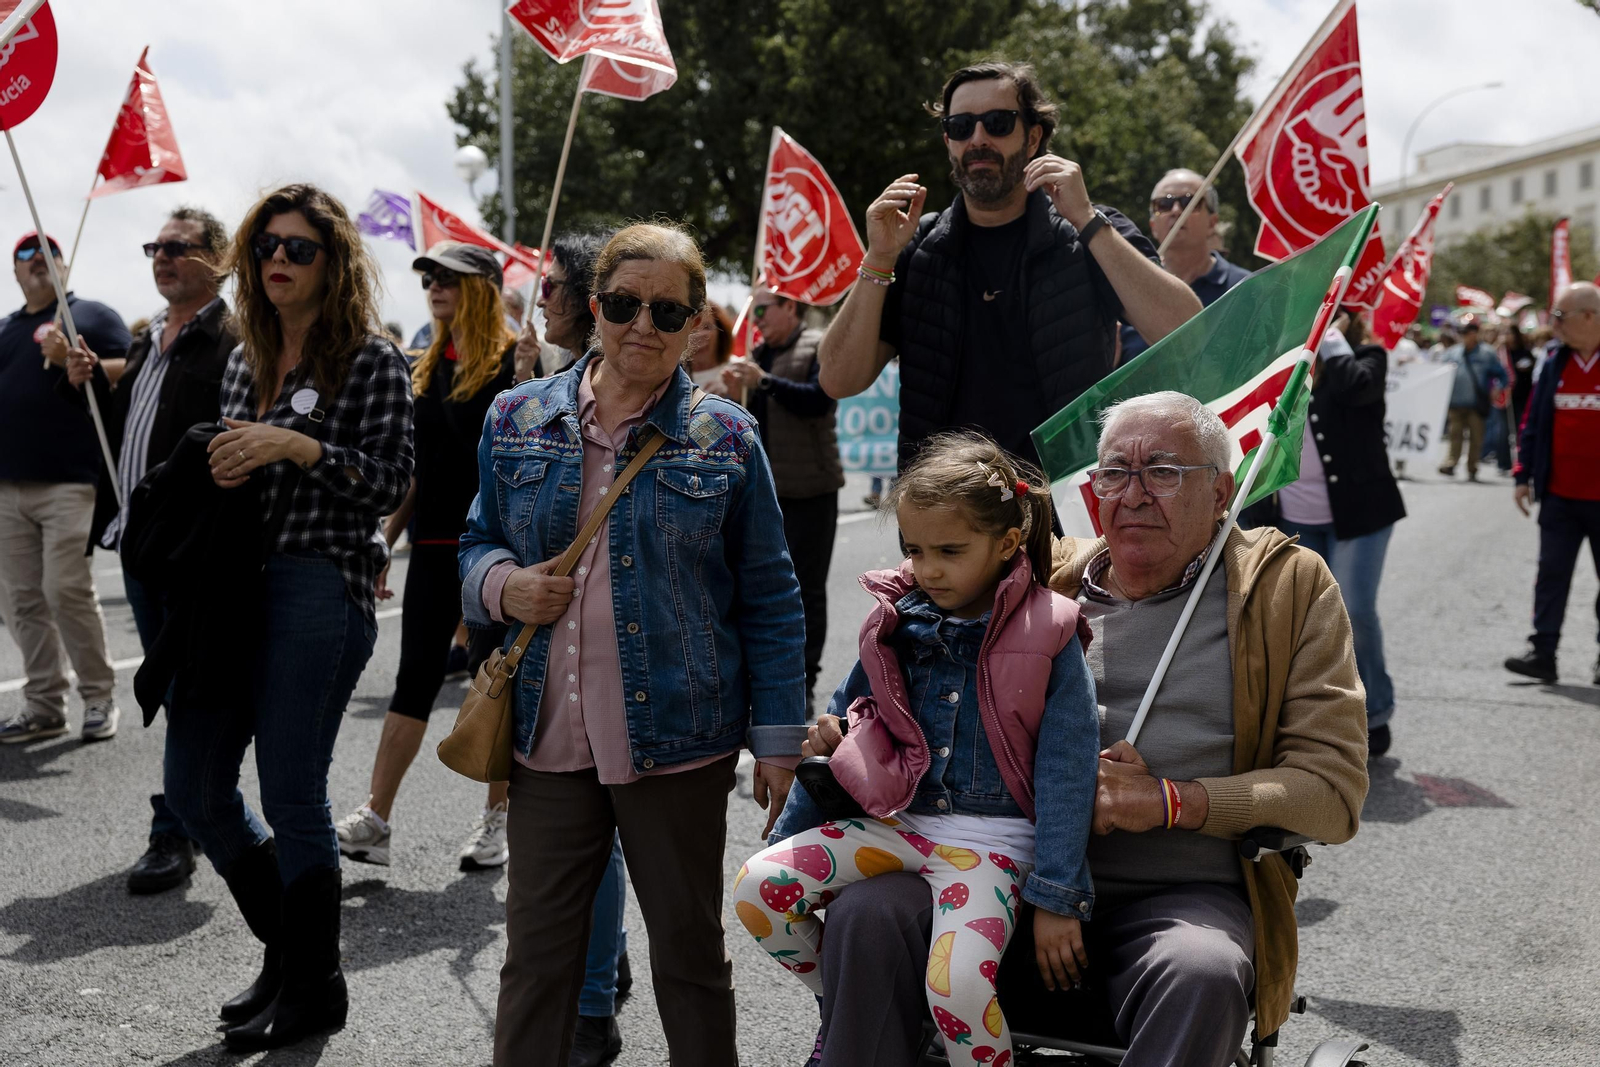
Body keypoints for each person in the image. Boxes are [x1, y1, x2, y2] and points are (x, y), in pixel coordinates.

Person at [785, 392, 1370, 1067]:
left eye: (1165, 472)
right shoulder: (1030, 578)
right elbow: (909, 678)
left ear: (1222, 492)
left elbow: (1331, 791)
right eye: (1115, 472)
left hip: (1175, 896)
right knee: (867, 913)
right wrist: (853, 735)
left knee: (1201, 969)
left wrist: (1170, 800)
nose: (1135, 494)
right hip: (996, 867)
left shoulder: (1285, 589)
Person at [459, 222, 806, 1067]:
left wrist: (780, 739)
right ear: (594, 308)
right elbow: (475, 543)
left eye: (666, 309)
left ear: (695, 325)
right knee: (536, 963)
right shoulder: (515, 417)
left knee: (689, 958)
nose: (642, 325)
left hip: (681, 740)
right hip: (546, 736)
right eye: (622, 303)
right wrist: (505, 583)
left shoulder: (726, 438)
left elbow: (770, 593)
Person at [735, 433, 1100, 1067]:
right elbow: (844, 721)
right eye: (914, 550)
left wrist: (1055, 896)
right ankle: (845, 1006)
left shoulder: (1053, 629)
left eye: (950, 551)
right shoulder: (894, 620)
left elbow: (1068, 772)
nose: (928, 569)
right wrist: (794, 824)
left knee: (958, 990)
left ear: (1008, 542)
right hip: (896, 827)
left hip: (994, 849)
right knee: (758, 887)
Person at [160, 184, 414, 1052]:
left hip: (319, 584)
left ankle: (313, 984)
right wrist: (223, 464)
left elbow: (387, 481)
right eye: (267, 243)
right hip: (233, 588)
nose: (277, 258)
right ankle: (293, 956)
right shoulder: (243, 357)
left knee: (293, 793)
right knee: (195, 786)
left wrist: (297, 445)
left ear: (332, 260)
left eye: (299, 247)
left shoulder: (372, 359)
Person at [818, 60, 1201, 469]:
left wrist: (1087, 220)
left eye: (998, 123)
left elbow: (1191, 334)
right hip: (943, 515)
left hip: (1068, 513)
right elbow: (837, 379)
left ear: (1033, 137)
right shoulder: (914, 249)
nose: (978, 139)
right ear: (949, 140)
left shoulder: (1088, 230)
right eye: (962, 127)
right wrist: (878, 258)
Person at [60, 207, 238, 893]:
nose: (162, 258)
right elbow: (125, 430)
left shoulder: (230, 340)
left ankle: (179, 825)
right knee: (171, 688)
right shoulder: (146, 340)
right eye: (154, 247)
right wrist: (88, 384)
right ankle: (195, 808)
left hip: (190, 546)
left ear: (218, 259)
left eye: (178, 247)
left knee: (189, 687)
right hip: (140, 541)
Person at [334, 242, 517, 871]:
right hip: (434, 547)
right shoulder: (423, 366)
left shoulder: (514, 367)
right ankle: (375, 819)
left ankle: (499, 820)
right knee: (413, 677)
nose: (434, 286)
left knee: (495, 685)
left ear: (485, 287)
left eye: (449, 277)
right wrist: (386, 536)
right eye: (428, 278)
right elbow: (413, 471)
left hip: (499, 555)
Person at [0, 232, 131, 744]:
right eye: (26, 256)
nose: (38, 261)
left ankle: (98, 696)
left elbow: (133, 369)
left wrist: (79, 361)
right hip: (8, 485)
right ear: (14, 271)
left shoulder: (92, 317)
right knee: (22, 600)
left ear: (64, 264)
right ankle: (42, 704)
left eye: (48, 253)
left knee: (65, 590)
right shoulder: (8, 329)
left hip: (70, 482)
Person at [1268, 314, 1405, 757]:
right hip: (1296, 517)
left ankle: (1376, 712)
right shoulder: (1284, 364)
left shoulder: (1366, 357)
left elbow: (1358, 387)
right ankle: (1318, 720)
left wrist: (1328, 334)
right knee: (1310, 622)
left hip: (1359, 516)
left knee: (1356, 610)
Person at [722, 290, 845, 715]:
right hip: (763, 494)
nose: (756, 318)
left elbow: (820, 399)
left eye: (762, 309)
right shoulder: (757, 353)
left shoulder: (817, 345)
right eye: (752, 310)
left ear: (790, 307)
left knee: (806, 591)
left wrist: (765, 382)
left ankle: (804, 683)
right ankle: (763, 680)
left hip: (811, 490)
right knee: (758, 587)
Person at [1506, 282, 1600, 684]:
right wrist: (1523, 475)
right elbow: (1533, 422)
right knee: (1551, 575)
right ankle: (1543, 653)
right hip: (1560, 495)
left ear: (1590, 317)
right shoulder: (1553, 361)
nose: (1553, 324)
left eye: (1560, 316)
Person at [1119, 168, 1252, 360]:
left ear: (1212, 222)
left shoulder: (1246, 289)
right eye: (1163, 204)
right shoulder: (1124, 287)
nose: (1176, 211)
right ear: (1153, 226)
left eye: (1190, 202)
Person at [523, 231, 607, 378]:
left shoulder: (619, 384)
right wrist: (523, 376)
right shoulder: (559, 383)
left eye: (549, 286)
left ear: (582, 294)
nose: (539, 302)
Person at [1437, 319, 1505, 481]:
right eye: (1460, 332)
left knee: (1476, 437)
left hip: (1477, 404)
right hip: (1456, 402)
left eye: (1465, 333)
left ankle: (1472, 467)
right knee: (1455, 435)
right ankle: (1451, 463)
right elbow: (1437, 370)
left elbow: (1502, 375)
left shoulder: (1487, 353)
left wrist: (1497, 388)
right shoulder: (1453, 352)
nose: (1462, 336)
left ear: (1474, 334)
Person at [688, 300, 735, 390]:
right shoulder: (671, 377)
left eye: (707, 327)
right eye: (692, 330)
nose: (700, 335)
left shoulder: (739, 370)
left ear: (721, 332)